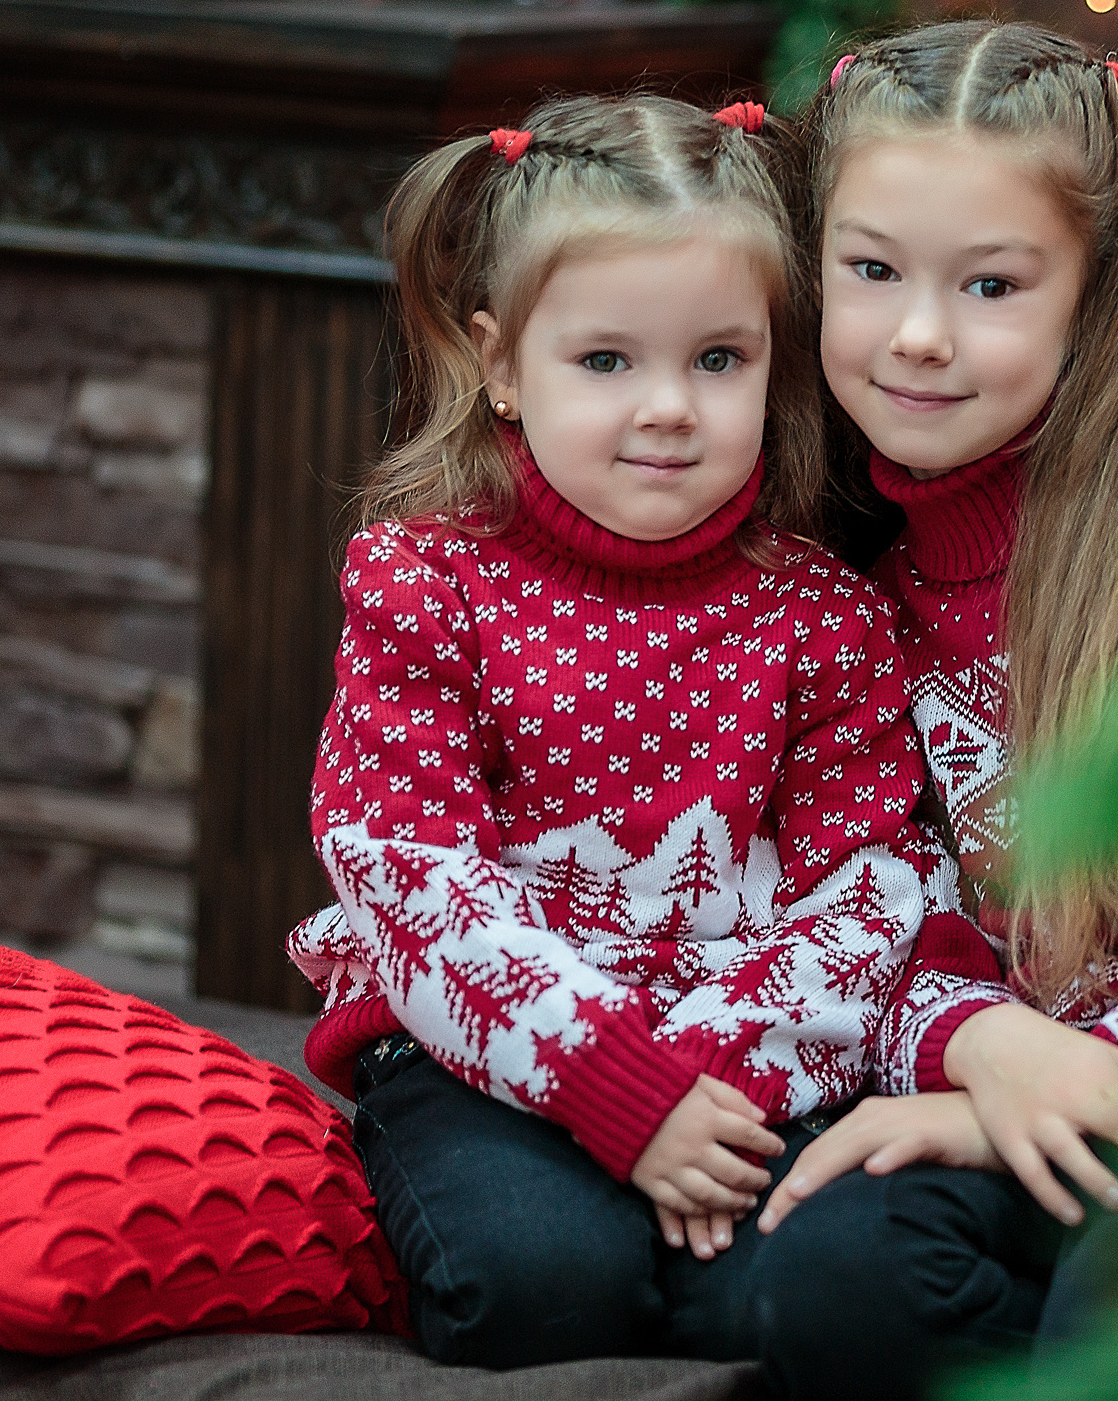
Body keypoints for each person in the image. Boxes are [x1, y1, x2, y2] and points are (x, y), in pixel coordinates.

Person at [283, 93, 942, 1371]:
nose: (667, 410)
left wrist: (706, 1082)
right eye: (605, 361)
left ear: (774, 360)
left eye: (717, 360)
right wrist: (614, 1091)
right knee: (543, 1278)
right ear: (498, 365)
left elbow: (877, 883)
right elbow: (407, 874)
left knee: (819, 1292)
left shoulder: (821, 616)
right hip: (474, 1046)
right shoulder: (430, 584)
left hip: (741, 1060)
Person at [746, 21, 1118, 1399]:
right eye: (871, 273)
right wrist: (973, 1045)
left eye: (991, 284)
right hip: (996, 1087)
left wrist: (1077, 1078)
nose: (919, 336)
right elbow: (844, 896)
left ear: (1093, 296)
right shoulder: (828, 583)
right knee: (827, 1272)